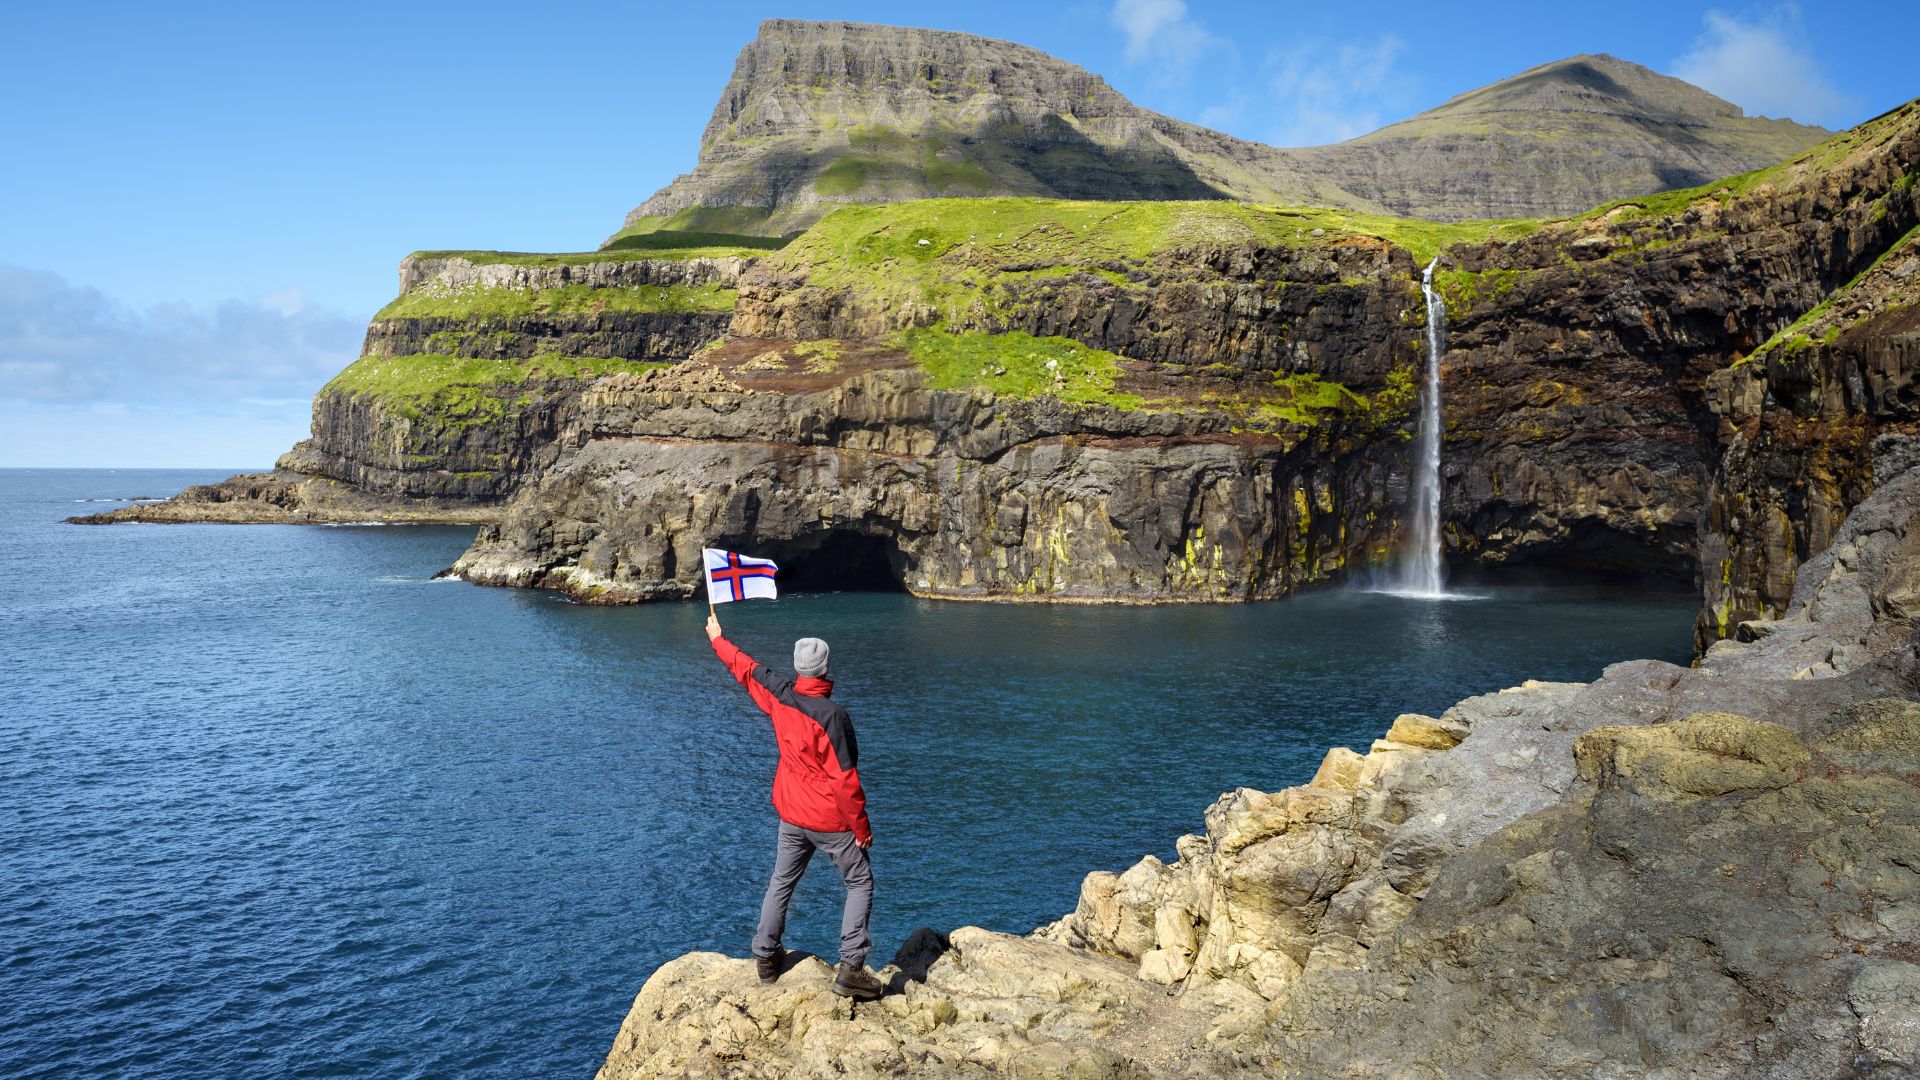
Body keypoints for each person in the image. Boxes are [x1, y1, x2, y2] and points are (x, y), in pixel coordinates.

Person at [705, 611, 885, 1001]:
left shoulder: (781, 698)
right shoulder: (832, 716)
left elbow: (748, 670)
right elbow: (844, 780)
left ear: (798, 667)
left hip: (791, 812)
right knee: (859, 882)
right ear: (825, 668)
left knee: (781, 881)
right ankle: (851, 968)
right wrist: (861, 828)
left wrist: (718, 639)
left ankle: (766, 957)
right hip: (828, 819)